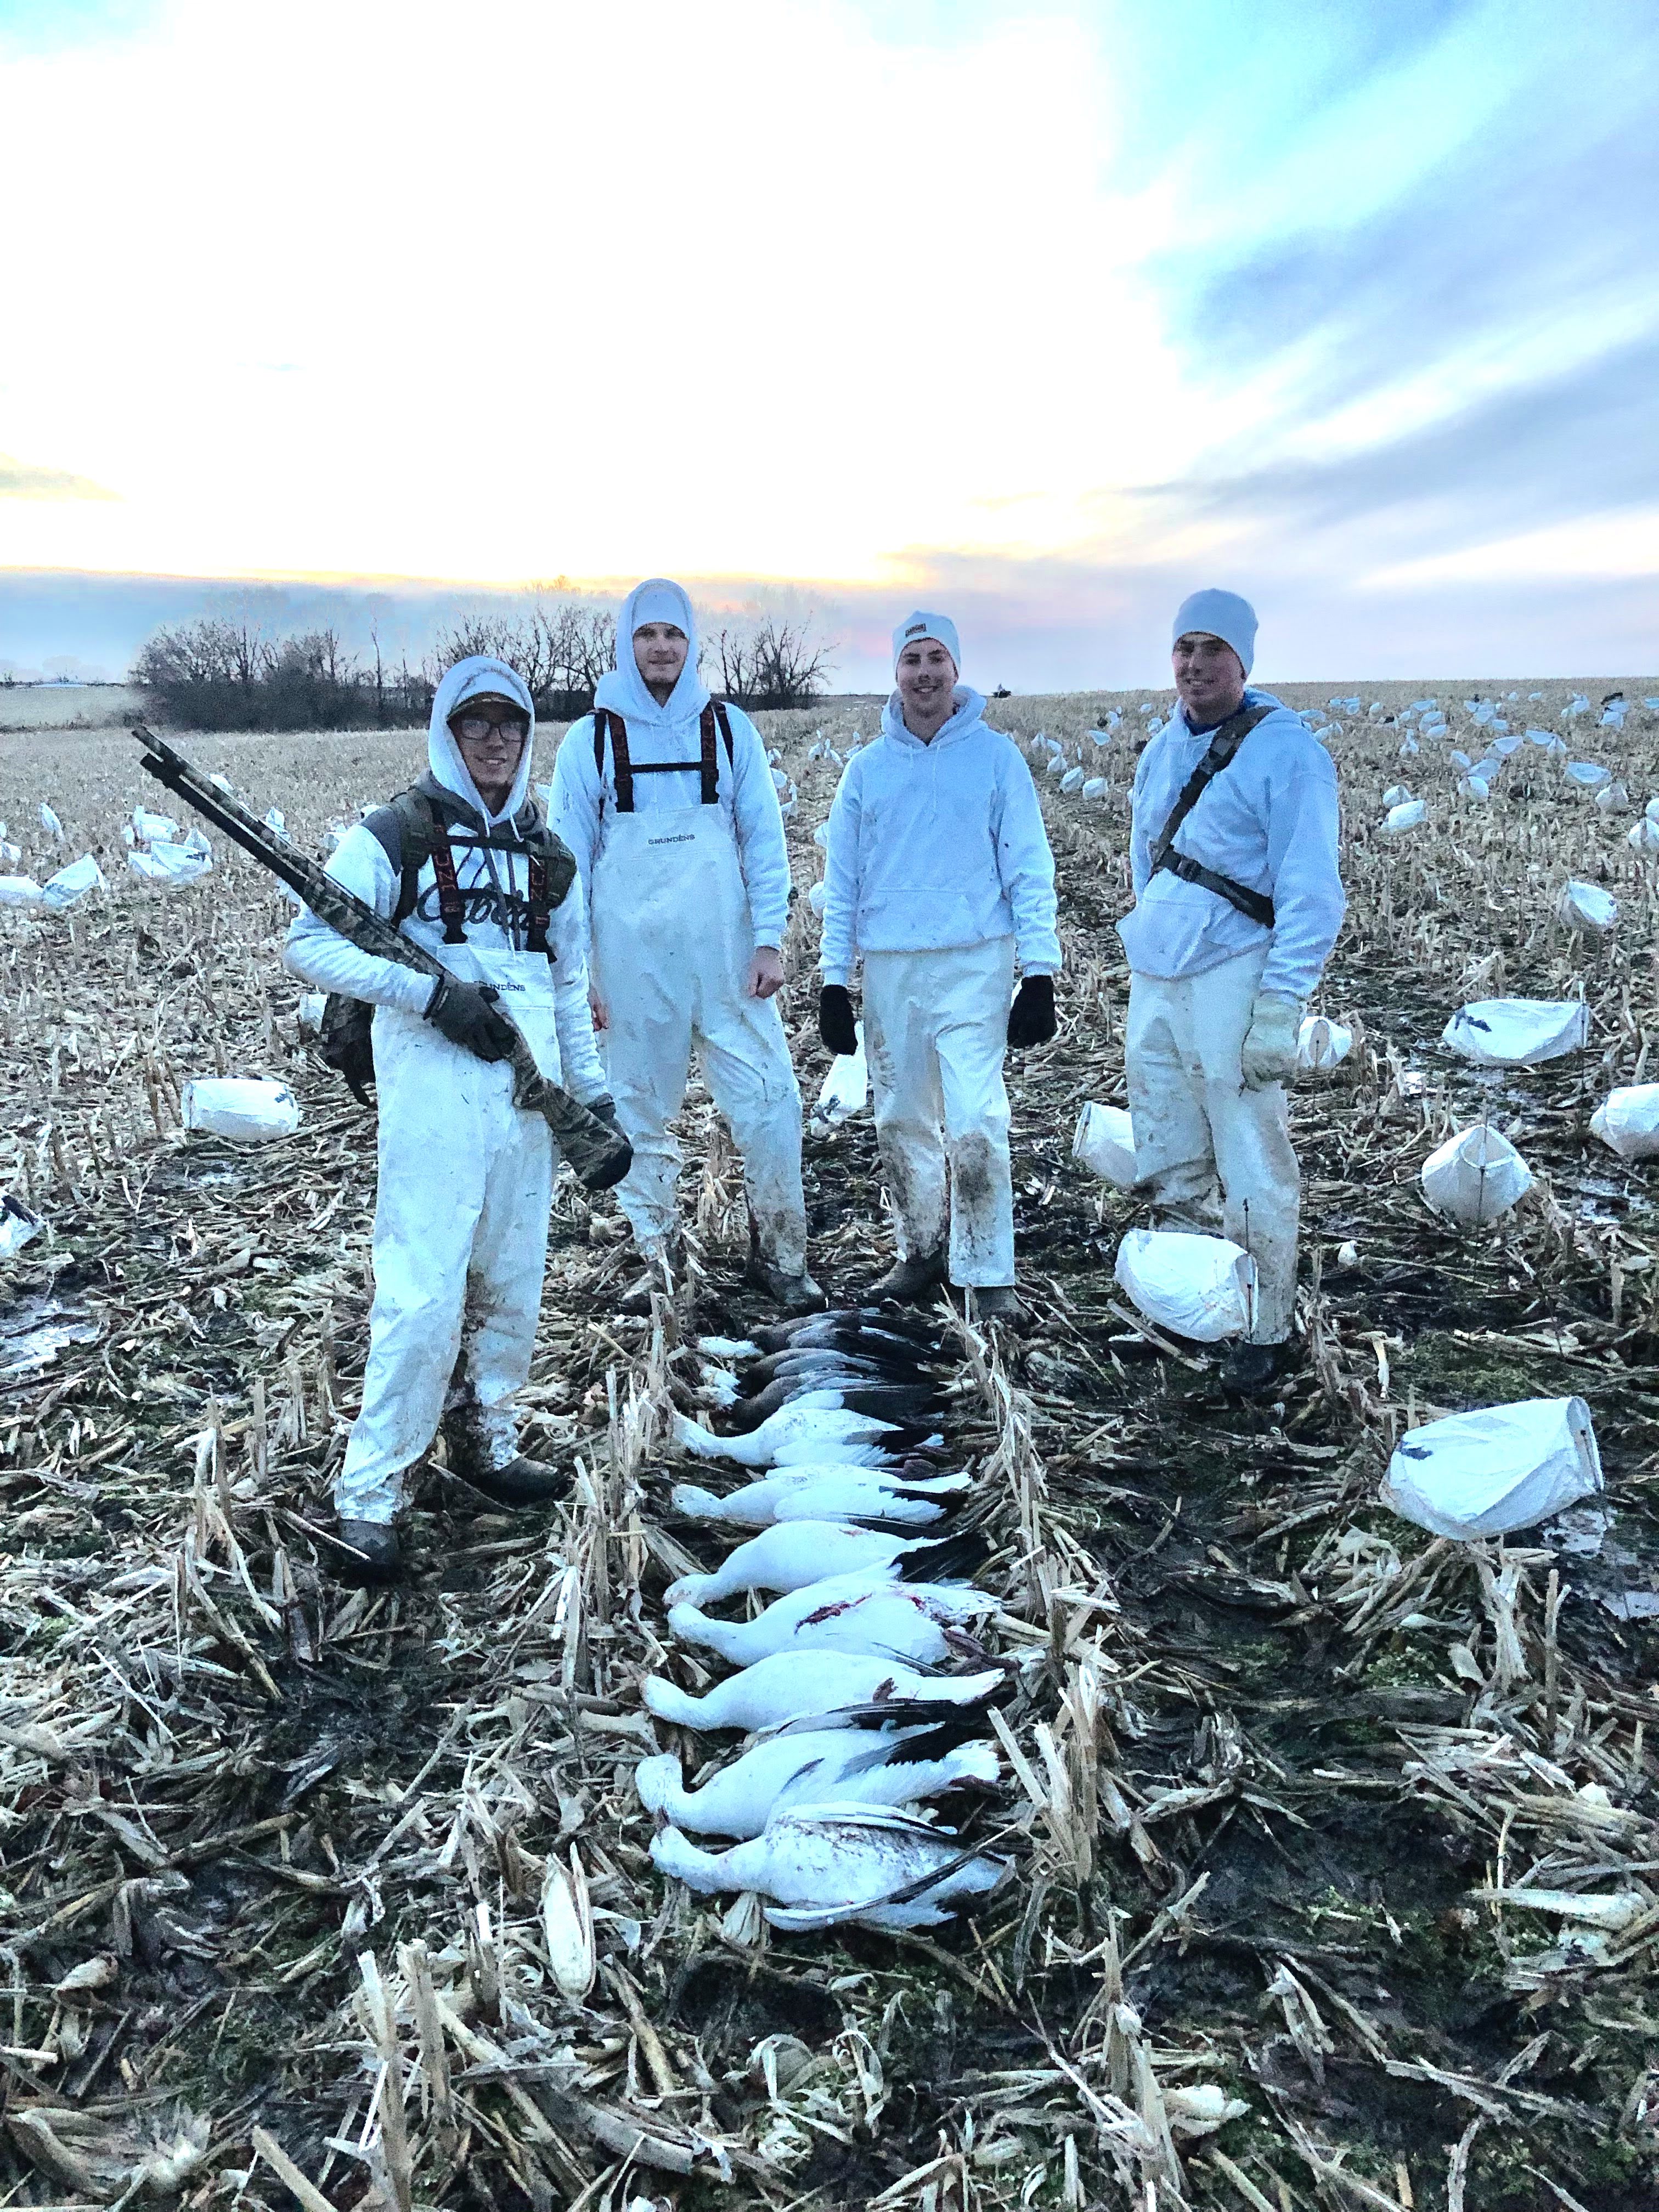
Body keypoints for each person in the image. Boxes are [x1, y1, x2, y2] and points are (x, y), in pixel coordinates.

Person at [285, 656, 613, 1580]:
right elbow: (308, 943)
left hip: (528, 1091)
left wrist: (591, 1100)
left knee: (514, 1279)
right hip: (434, 1086)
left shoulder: (549, 857)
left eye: (511, 723)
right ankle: (372, 1495)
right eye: (478, 724)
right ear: (446, 731)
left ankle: (486, 1440)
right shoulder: (395, 833)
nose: (498, 739)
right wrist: (427, 996)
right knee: (423, 1292)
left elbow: (565, 983)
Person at [550, 579, 821, 1315]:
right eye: (647, 635)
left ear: (692, 642)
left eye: (673, 634)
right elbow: (564, 868)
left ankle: (782, 1258)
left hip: (728, 964)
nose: (661, 648)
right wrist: (583, 975)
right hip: (633, 970)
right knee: (637, 1112)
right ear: (626, 643)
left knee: (773, 1103)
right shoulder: (591, 741)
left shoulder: (729, 730)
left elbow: (765, 842)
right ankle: (663, 1257)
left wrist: (768, 940)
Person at [1119, 589, 1345, 1395]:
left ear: (1244, 660)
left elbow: (1313, 890)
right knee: (1169, 1151)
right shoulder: (1159, 751)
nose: (1195, 665)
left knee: (1250, 1155)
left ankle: (1266, 1325)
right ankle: (1191, 1306)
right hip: (1158, 977)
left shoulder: (1287, 753)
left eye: (1213, 649)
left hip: (1234, 974)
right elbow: (1144, 856)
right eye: (1185, 648)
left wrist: (1280, 1004)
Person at [817, 611, 1060, 1323]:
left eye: (936, 659)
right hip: (892, 972)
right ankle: (921, 1250)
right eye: (911, 660)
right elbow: (845, 883)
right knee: (900, 1119)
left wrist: (1038, 971)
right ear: (895, 673)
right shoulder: (867, 772)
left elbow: (1029, 866)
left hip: (973, 966)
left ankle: (988, 1272)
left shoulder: (994, 760)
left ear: (956, 670)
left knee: (978, 1118)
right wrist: (835, 981)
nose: (924, 673)